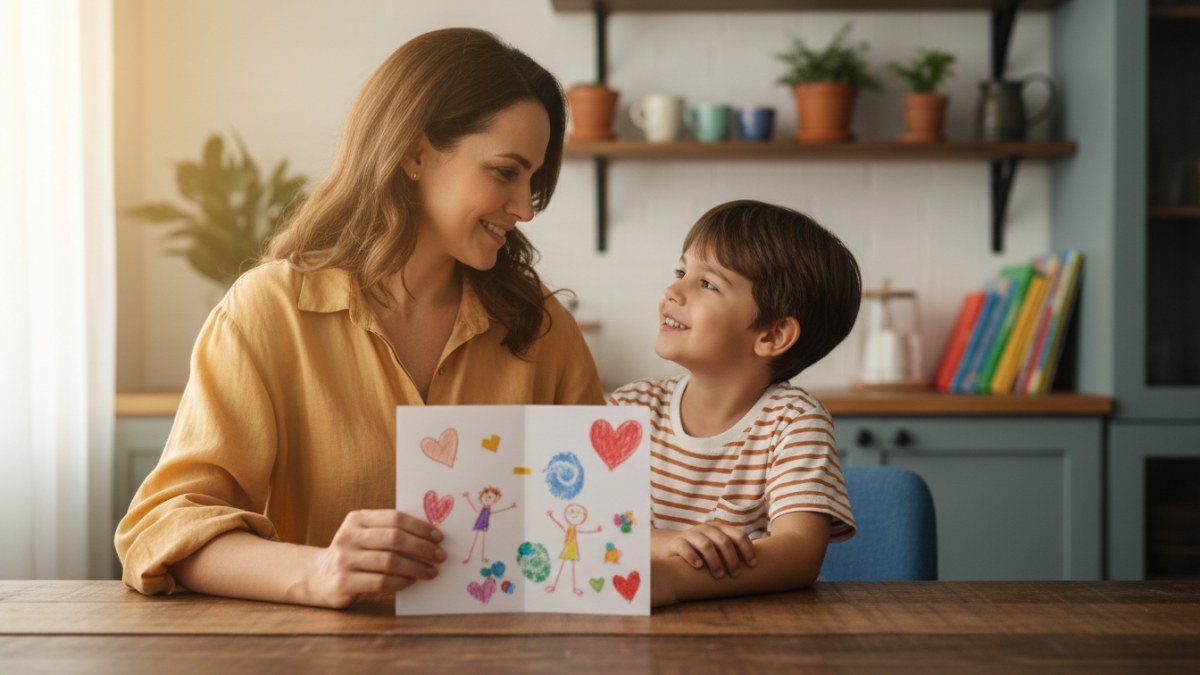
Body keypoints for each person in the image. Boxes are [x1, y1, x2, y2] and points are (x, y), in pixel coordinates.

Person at [114, 28, 603, 609]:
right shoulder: (267, 313)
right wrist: (320, 572)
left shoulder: (542, 328)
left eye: (533, 180)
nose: (525, 208)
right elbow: (164, 527)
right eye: (504, 172)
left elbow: (594, 531)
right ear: (415, 153)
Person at [608, 200, 860, 608]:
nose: (673, 291)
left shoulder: (795, 421)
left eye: (707, 284)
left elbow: (799, 553)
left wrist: (673, 578)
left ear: (773, 335)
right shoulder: (627, 409)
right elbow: (579, 523)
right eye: (681, 272)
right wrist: (670, 545)